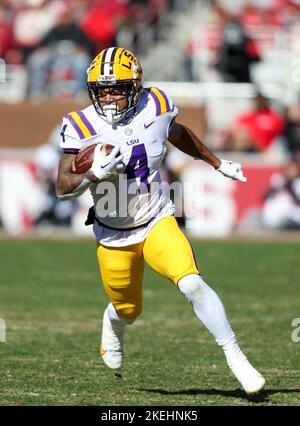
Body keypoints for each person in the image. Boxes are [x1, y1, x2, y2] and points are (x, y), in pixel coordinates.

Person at [56, 47, 265, 395]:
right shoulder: (79, 125)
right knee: (128, 309)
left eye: (117, 88)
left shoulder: (156, 104)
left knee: (192, 283)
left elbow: (178, 134)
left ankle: (236, 358)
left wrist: (217, 162)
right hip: (112, 234)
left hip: (156, 218)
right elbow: (63, 187)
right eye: (101, 89)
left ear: (135, 87)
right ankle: (112, 322)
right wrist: (92, 173)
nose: (108, 97)